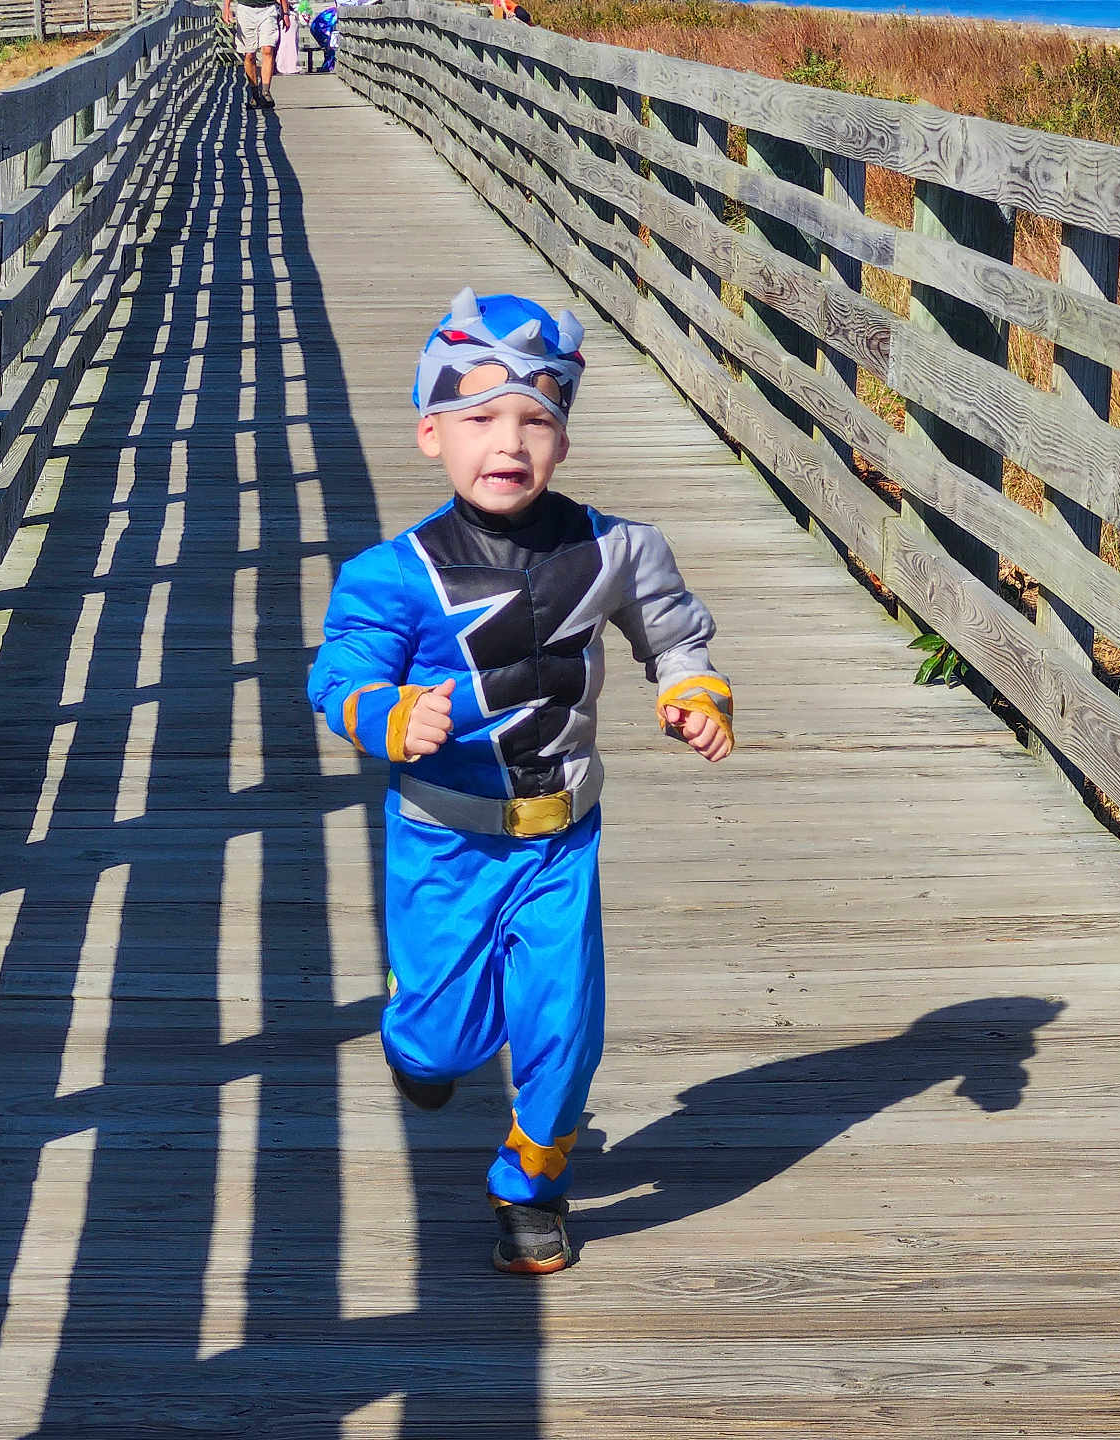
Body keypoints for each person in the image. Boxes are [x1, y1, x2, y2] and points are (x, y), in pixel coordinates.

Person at [307, 289, 734, 1274]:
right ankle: (417, 1039)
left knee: (563, 1025)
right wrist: (387, 715)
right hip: (443, 840)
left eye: (537, 419)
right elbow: (338, 674)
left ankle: (530, 1187)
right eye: (479, 418)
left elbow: (674, 633)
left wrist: (695, 696)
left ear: (565, 439)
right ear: (431, 434)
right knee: (443, 1044)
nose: (508, 442)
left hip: (560, 840)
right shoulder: (392, 574)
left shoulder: (618, 549)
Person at [224, 0, 292, 109]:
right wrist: (226, 8)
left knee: (268, 49)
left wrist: (285, 13)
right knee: (249, 54)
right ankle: (255, 95)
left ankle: (265, 92)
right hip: (246, 10)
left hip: (268, 9)